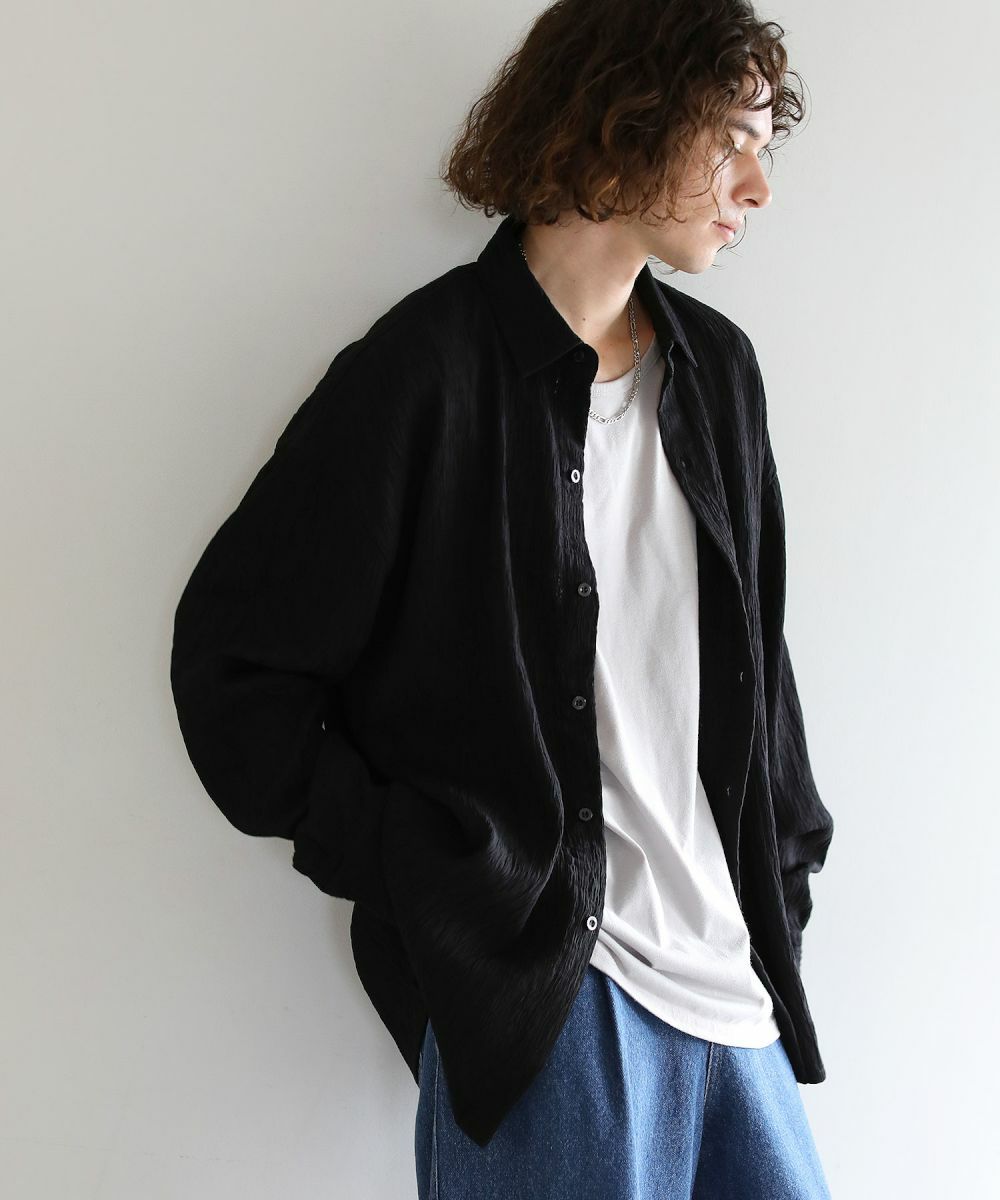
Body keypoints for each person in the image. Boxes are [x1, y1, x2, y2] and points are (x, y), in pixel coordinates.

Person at [169, 1, 835, 1195]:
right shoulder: (425, 373)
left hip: (737, 994)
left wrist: (781, 876)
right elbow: (235, 670)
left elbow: (758, 669)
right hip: (551, 1011)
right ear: (627, 119)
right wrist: (435, 874)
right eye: (731, 140)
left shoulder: (719, 376)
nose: (757, 186)